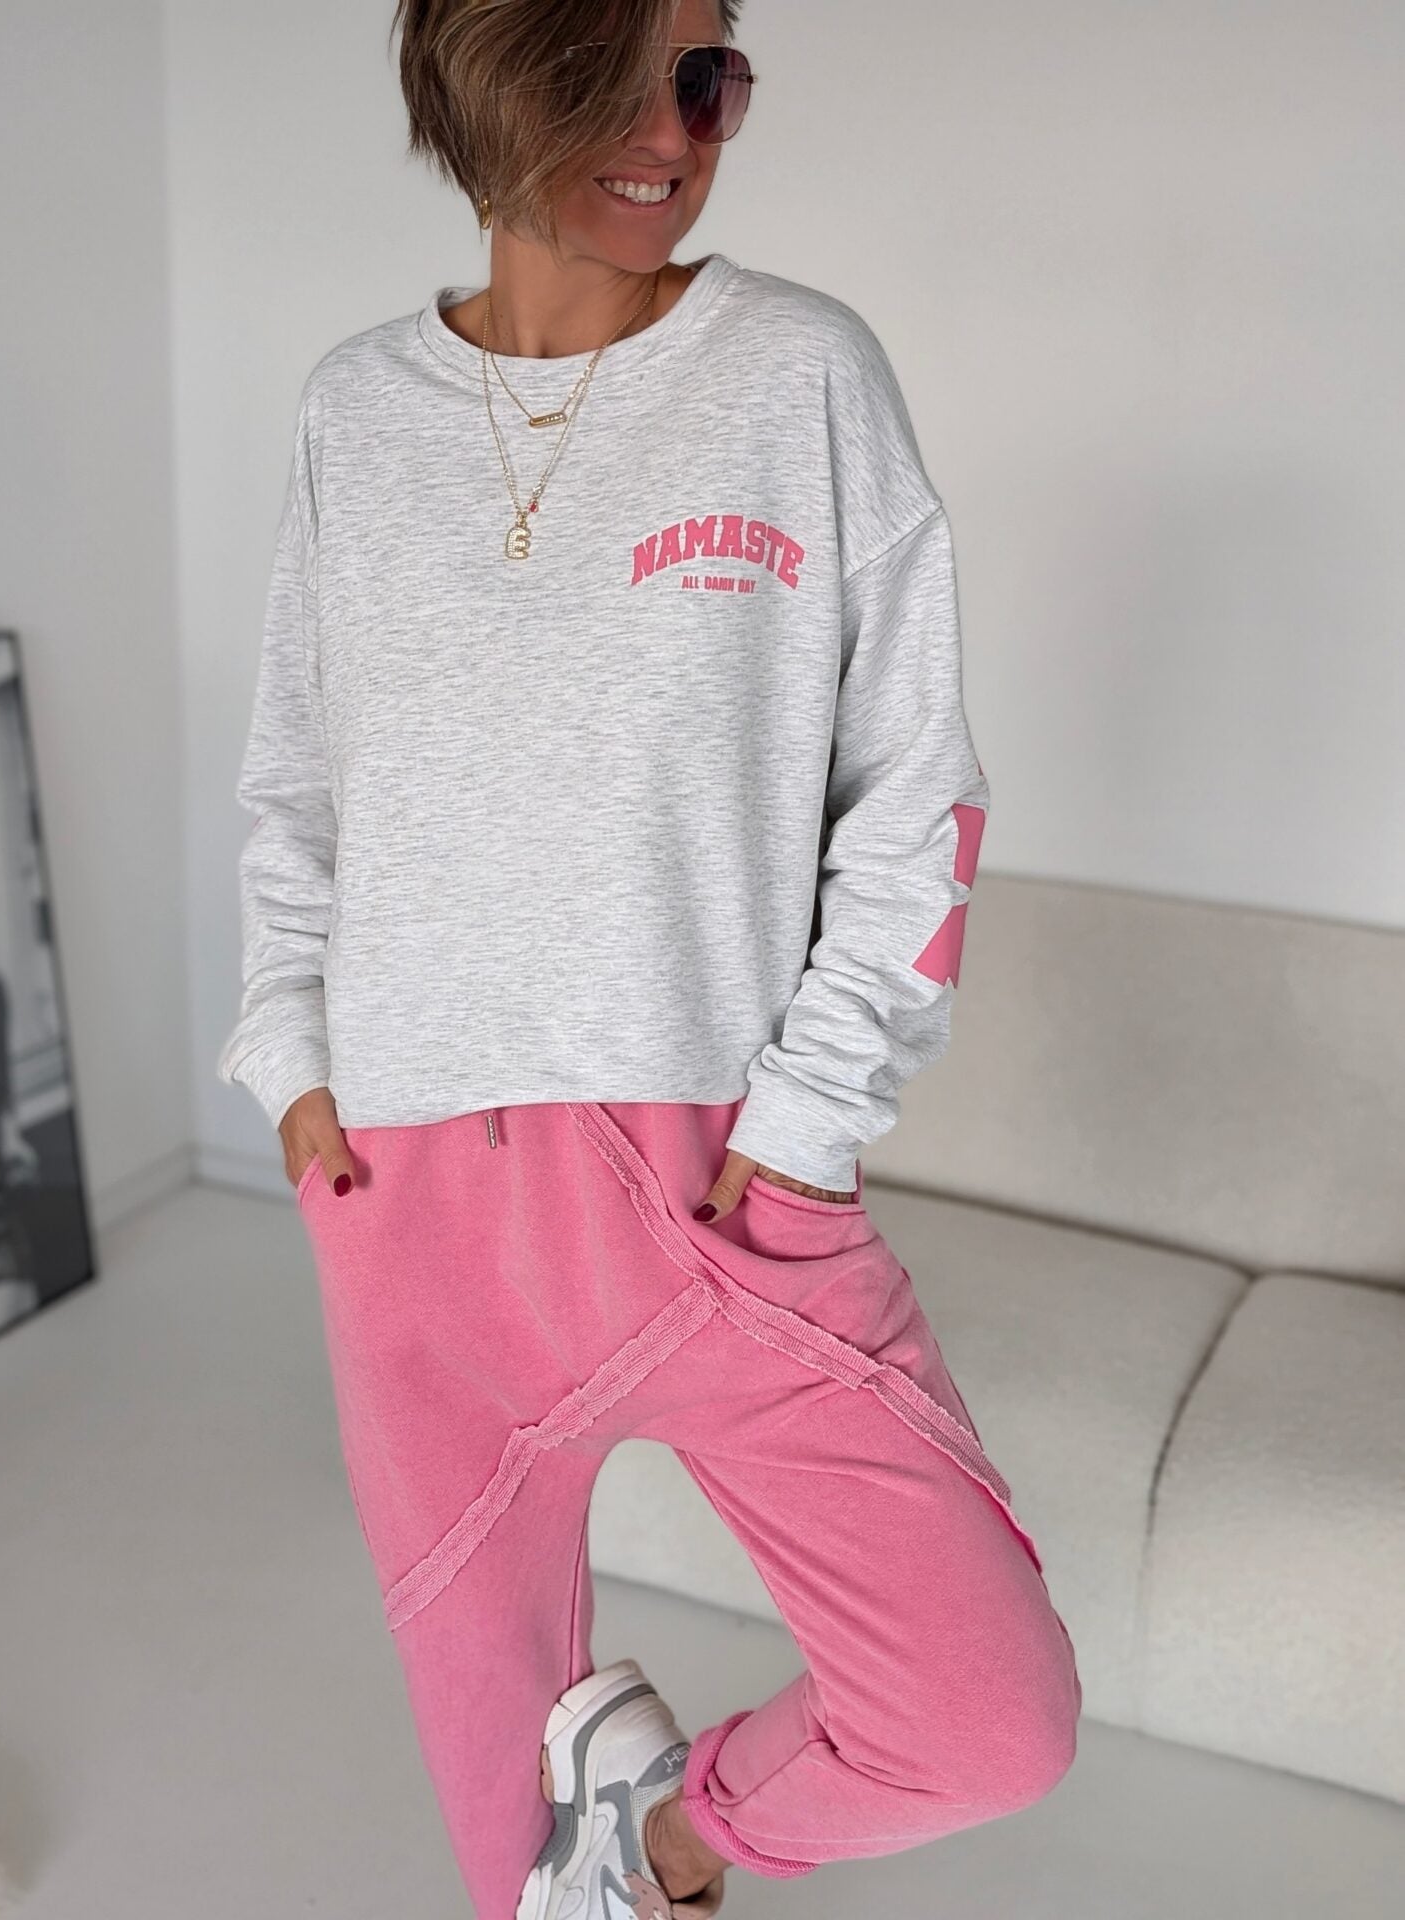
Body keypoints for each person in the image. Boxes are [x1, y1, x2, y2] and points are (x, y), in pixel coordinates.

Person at [216, 3, 1083, 1916]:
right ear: (492, 70)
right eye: (628, 74)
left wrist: (804, 1129)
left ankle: (664, 1829)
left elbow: (914, 796)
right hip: (407, 1210)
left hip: (709, 1199)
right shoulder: (356, 411)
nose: (681, 131)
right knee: (509, 1875)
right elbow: (298, 780)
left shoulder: (795, 373)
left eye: (711, 76)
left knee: (984, 1719)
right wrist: (289, 1056)